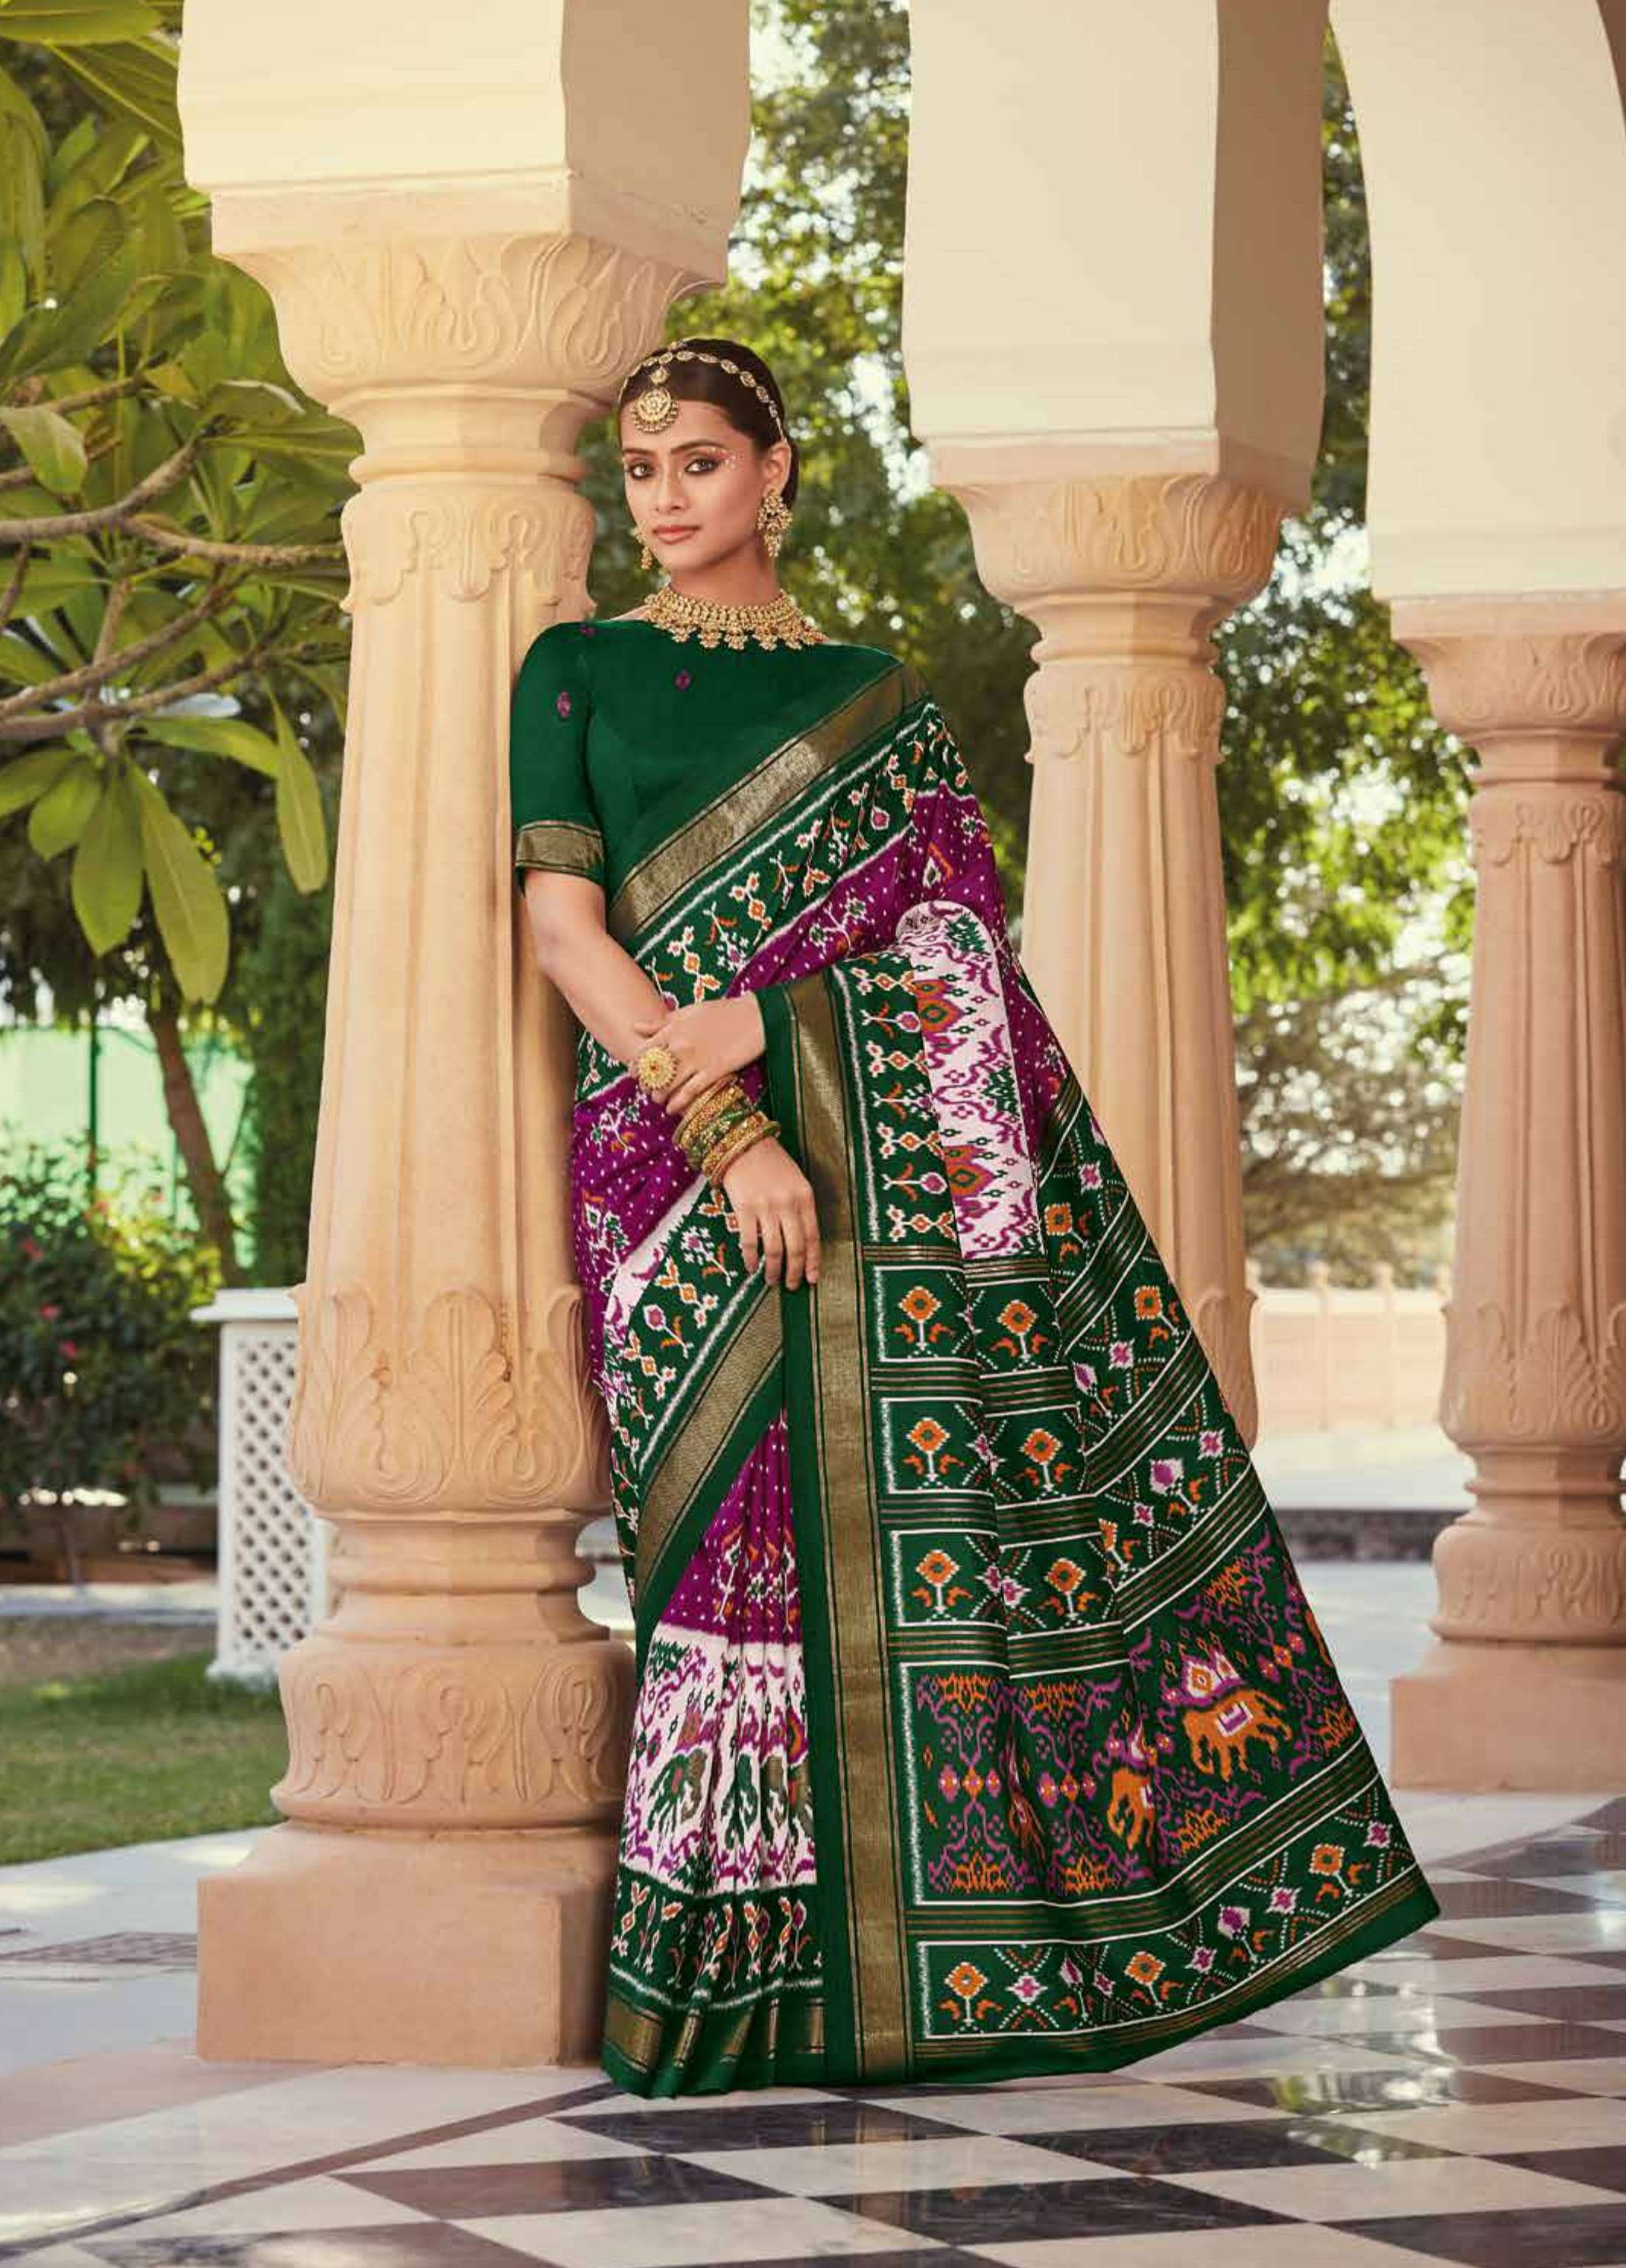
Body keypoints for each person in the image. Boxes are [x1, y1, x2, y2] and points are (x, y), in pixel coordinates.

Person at [509, 336, 1438, 2099]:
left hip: (874, 1175)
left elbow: (957, 971)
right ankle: (730, 1976)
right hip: (666, 1168)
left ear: (775, 471)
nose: (664, 497)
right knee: (722, 1541)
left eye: (699, 462)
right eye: (638, 468)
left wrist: (780, 1033)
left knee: (898, 1532)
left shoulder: (876, 704)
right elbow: (566, 933)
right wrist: (727, 1122)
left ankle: (941, 1964)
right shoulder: (576, 671)